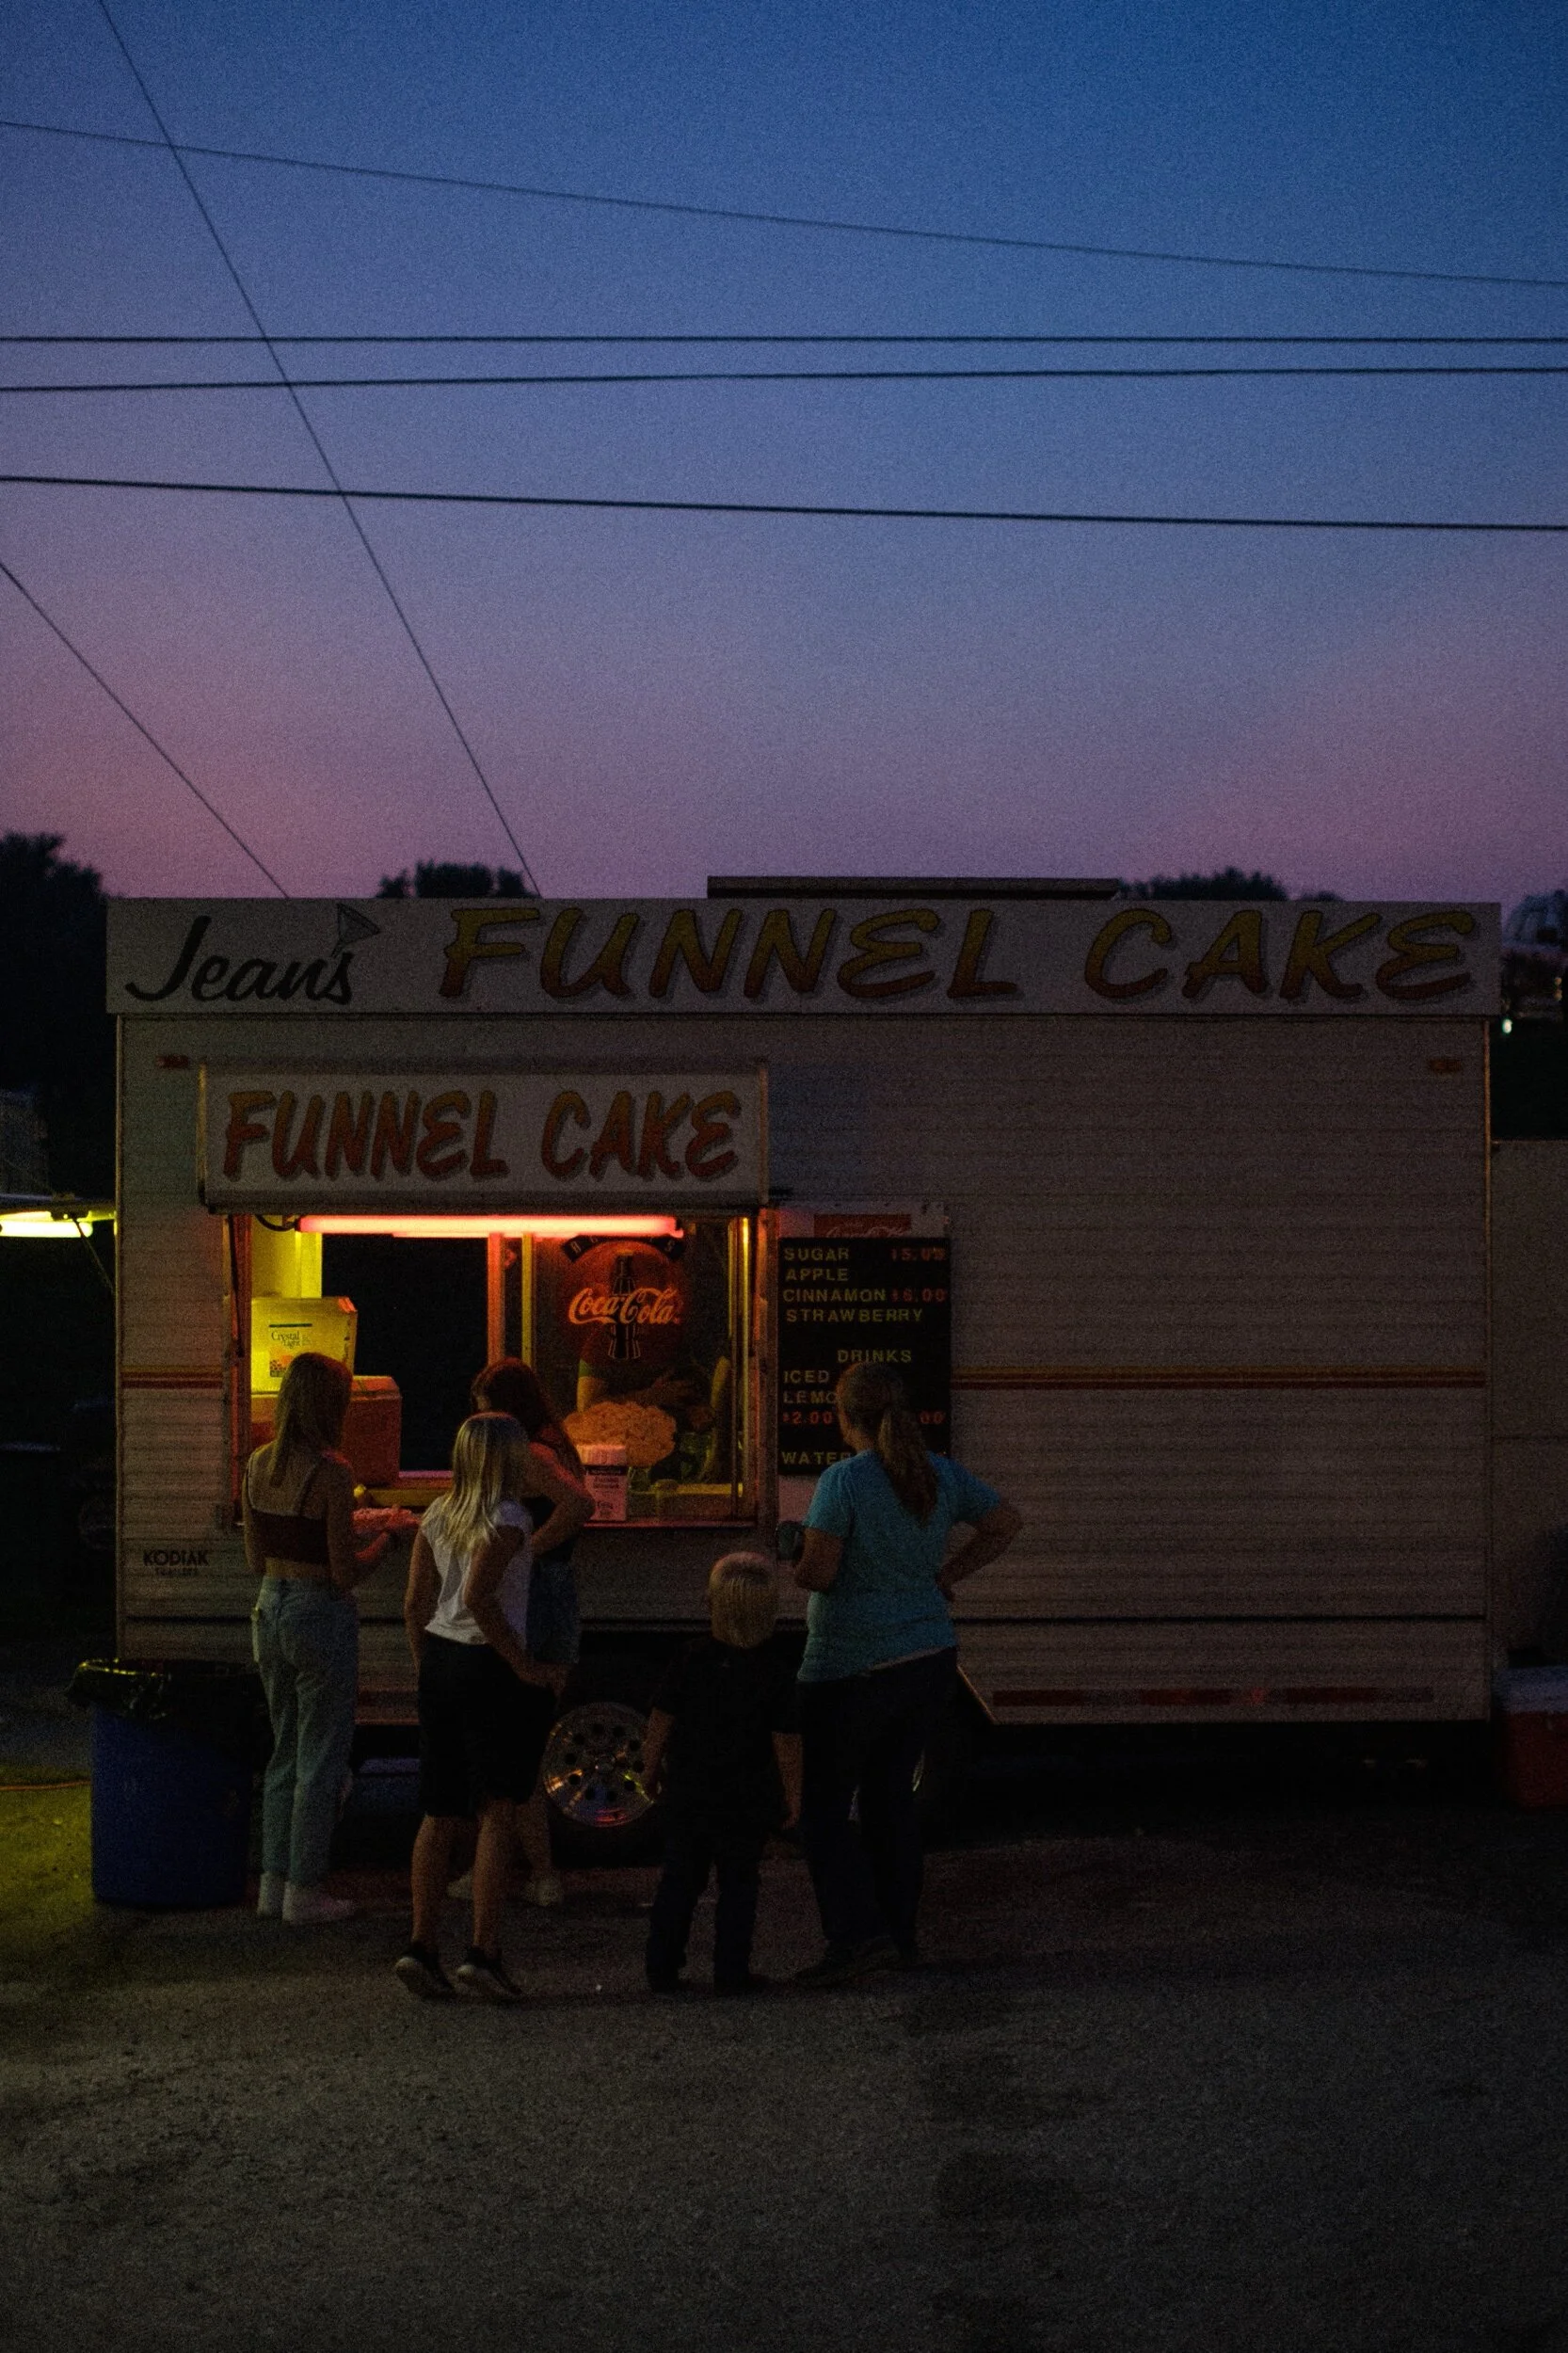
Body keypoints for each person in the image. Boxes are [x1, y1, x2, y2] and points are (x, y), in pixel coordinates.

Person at [792, 1362, 1021, 1987]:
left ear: (846, 1418)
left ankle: (855, 1938)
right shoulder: (938, 1473)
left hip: (851, 1666)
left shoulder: (843, 1482)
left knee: (822, 1813)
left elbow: (818, 1573)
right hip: (927, 1659)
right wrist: (945, 1576)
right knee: (890, 1800)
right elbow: (1006, 1523)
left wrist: (794, 1555)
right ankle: (900, 1936)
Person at [395, 1412, 591, 2001]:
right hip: (489, 1669)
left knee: (439, 1811)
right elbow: (482, 1597)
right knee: (498, 1808)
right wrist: (523, 1665)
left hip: (443, 1662)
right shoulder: (506, 1517)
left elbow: (413, 1606)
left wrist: (427, 1665)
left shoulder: (437, 1513)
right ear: (506, 1461)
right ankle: (483, 1951)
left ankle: (421, 1945)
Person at [244, 1351, 407, 1926]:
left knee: (284, 1751)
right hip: (319, 1615)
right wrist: (387, 1540)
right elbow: (343, 1571)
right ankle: (306, 1890)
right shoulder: (333, 1471)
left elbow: (256, 1555)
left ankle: (272, 1885)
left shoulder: (258, 1464)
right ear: (329, 1406)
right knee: (321, 1756)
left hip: (269, 1609)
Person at [641, 1553, 802, 1996]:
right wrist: (793, 1796)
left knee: (679, 1880)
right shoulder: (774, 1670)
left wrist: (649, 1770)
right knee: (739, 1884)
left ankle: (662, 1967)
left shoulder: (690, 1658)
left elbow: (661, 1719)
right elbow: (785, 1741)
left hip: (689, 1791)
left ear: (713, 1605)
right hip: (746, 1797)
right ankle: (731, 1971)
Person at [467, 1358, 584, 1907]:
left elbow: (577, 1505)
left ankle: (534, 1874)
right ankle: (529, 1871)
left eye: (486, 1409)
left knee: (516, 1738)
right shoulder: (554, 1440)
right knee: (528, 1733)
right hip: (556, 1594)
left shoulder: (532, 1453)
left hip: (537, 1597)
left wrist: (525, 1554)